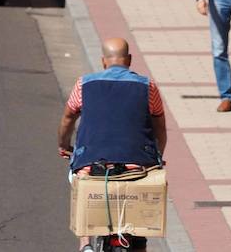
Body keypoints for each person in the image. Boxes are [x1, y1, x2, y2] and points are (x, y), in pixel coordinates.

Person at [58, 37, 166, 251]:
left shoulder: (84, 84)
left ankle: (86, 244)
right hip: (137, 165)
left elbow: (68, 117)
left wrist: (63, 144)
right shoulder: (148, 86)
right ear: (130, 60)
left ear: (103, 61)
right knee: (139, 226)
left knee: (80, 183)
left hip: (92, 163)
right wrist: (157, 157)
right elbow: (160, 127)